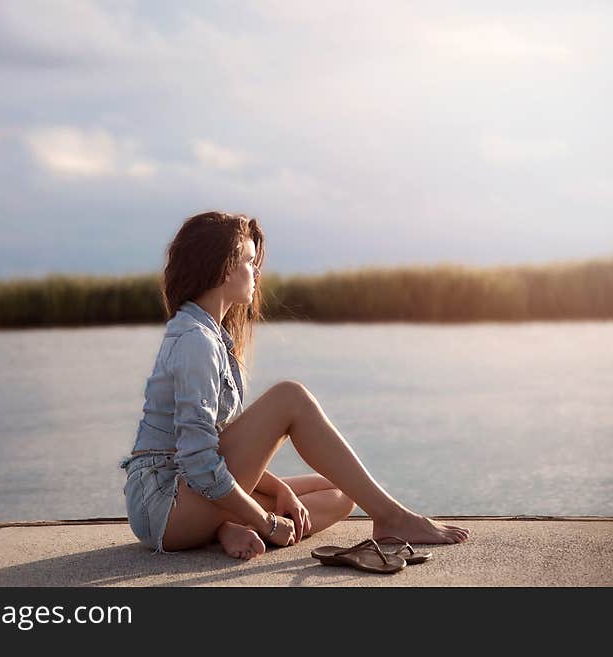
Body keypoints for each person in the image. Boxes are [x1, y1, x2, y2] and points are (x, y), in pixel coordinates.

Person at [121, 211, 470, 560]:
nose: (256, 272)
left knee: (340, 492)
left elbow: (216, 450)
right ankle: (392, 517)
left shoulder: (211, 336)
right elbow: (197, 461)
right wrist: (267, 520)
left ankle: (227, 528)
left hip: (187, 497)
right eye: (248, 260)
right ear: (225, 268)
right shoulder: (196, 340)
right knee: (290, 397)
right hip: (165, 507)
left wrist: (281, 489)